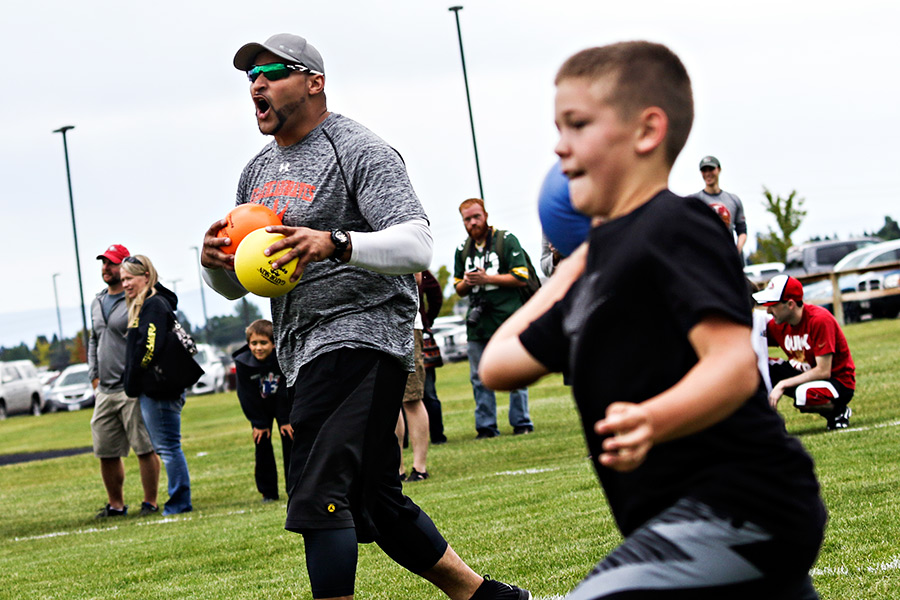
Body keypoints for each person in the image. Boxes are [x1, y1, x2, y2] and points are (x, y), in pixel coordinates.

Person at [480, 42, 825, 599]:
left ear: (646, 132)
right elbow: (498, 366)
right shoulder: (595, 272)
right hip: (675, 517)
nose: (558, 146)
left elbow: (734, 365)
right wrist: (573, 270)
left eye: (577, 124)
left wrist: (654, 419)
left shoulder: (676, 224)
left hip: (743, 506)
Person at [200, 33, 530, 600]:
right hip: (302, 347)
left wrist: (336, 242)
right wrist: (214, 268)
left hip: (363, 338)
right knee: (377, 500)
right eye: (249, 76)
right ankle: (491, 599)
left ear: (313, 82)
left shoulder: (358, 149)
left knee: (316, 488)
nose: (256, 83)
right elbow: (238, 286)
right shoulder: (255, 173)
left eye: (271, 71)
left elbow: (419, 243)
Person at [88, 244, 161, 518]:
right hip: (104, 389)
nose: (107, 268)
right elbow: (93, 340)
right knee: (105, 450)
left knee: (144, 447)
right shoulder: (97, 301)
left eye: (113, 263)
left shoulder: (136, 299)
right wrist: (93, 376)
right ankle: (116, 505)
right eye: (104, 263)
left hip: (131, 387)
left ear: (126, 268)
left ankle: (150, 502)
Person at [454, 198, 534, 439]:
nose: (473, 222)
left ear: (486, 215)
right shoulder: (462, 249)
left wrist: (488, 279)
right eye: (467, 219)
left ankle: (522, 422)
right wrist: (468, 283)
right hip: (478, 322)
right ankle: (486, 426)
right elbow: (457, 287)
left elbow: (522, 276)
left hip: (508, 317)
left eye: (476, 216)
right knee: (478, 377)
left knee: (516, 371)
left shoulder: (506, 239)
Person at [121, 255, 193, 516]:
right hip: (156, 387)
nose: (125, 284)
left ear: (146, 277)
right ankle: (178, 500)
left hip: (159, 388)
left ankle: (179, 502)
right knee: (168, 446)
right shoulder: (148, 304)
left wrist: (135, 377)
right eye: (123, 279)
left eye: (130, 278)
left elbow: (149, 346)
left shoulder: (153, 305)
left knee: (169, 447)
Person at [753, 274, 856, 430]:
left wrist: (782, 384)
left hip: (838, 381)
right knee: (758, 367)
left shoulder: (819, 320)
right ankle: (764, 423)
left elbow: (823, 371)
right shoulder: (778, 325)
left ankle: (838, 411)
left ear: (790, 304)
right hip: (804, 373)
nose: (768, 310)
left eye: (772, 305)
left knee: (804, 395)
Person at [233, 319, 293, 502]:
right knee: (262, 444)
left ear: (274, 344)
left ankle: (295, 488)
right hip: (260, 408)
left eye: (263, 343)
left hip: (284, 405)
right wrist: (258, 423)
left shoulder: (283, 358)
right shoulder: (243, 363)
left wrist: (285, 418)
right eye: (254, 343)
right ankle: (268, 492)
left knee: (292, 443)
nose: (258, 348)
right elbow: (246, 395)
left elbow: (287, 388)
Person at [395, 272, 431, 481]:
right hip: (373, 327)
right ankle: (396, 468)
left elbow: (417, 276)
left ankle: (419, 467)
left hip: (405, 323)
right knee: (387, 401)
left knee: (411, 398)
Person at [688, 155, 748, 258]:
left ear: (719, 170)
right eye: (704, 170)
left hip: (728, 257)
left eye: (711, 169)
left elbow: (742, 230)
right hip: (704, 258)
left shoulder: (733, 200)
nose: (708, 174)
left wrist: (737, 249)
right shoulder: (694, 201)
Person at [420, 269, 448, 445]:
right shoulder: (411, 261)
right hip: (419, 330)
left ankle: (437, 436)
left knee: (426, 392)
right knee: (428, 393)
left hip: (416, 330)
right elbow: (436, 294)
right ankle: (438, 436)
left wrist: (426, 320)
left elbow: (436, 293)